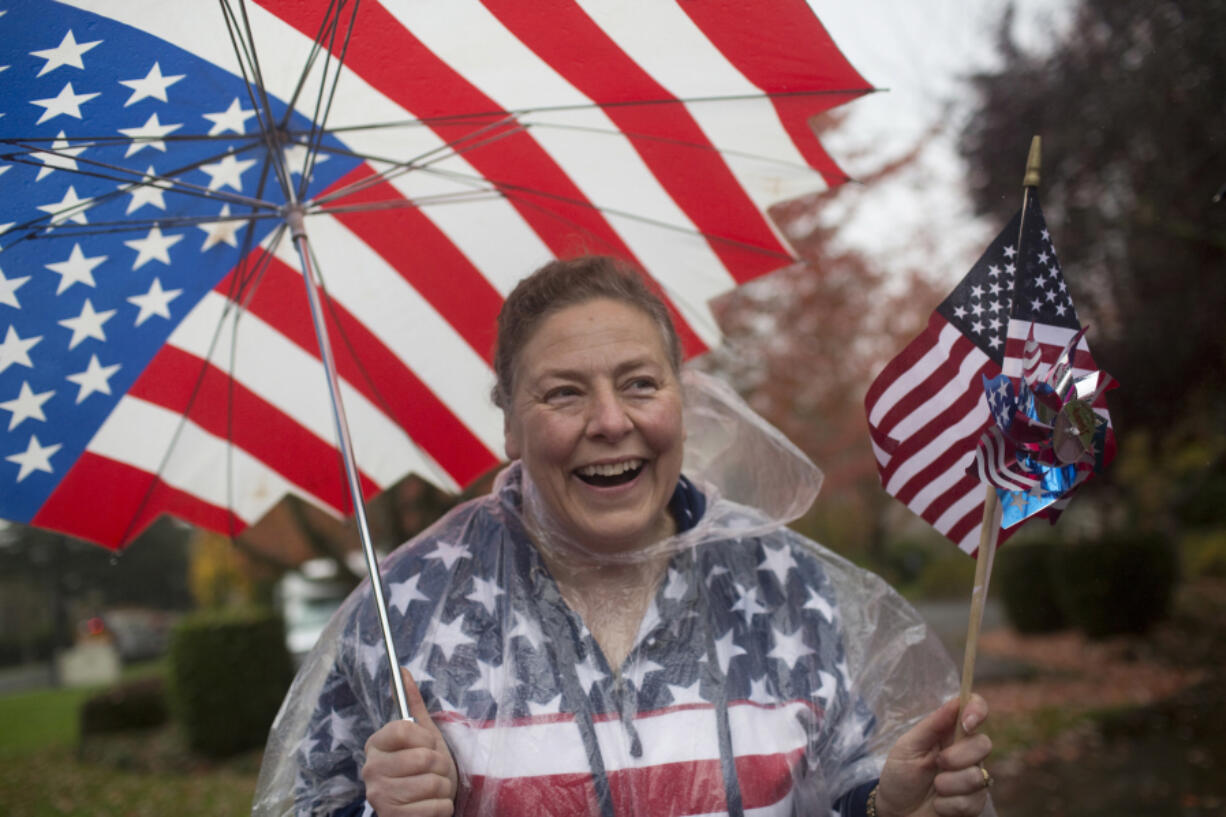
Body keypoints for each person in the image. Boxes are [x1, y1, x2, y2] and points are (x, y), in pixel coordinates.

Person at [253, 256, 995, 817]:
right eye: (564, 391)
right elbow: (306, 800)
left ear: (682, 397)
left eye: (640, 382)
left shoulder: (783, 584)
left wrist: (887, 802)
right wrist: (378, 810)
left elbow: (841, 784)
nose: (611, 421)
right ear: (510, 423)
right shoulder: (406, 610)